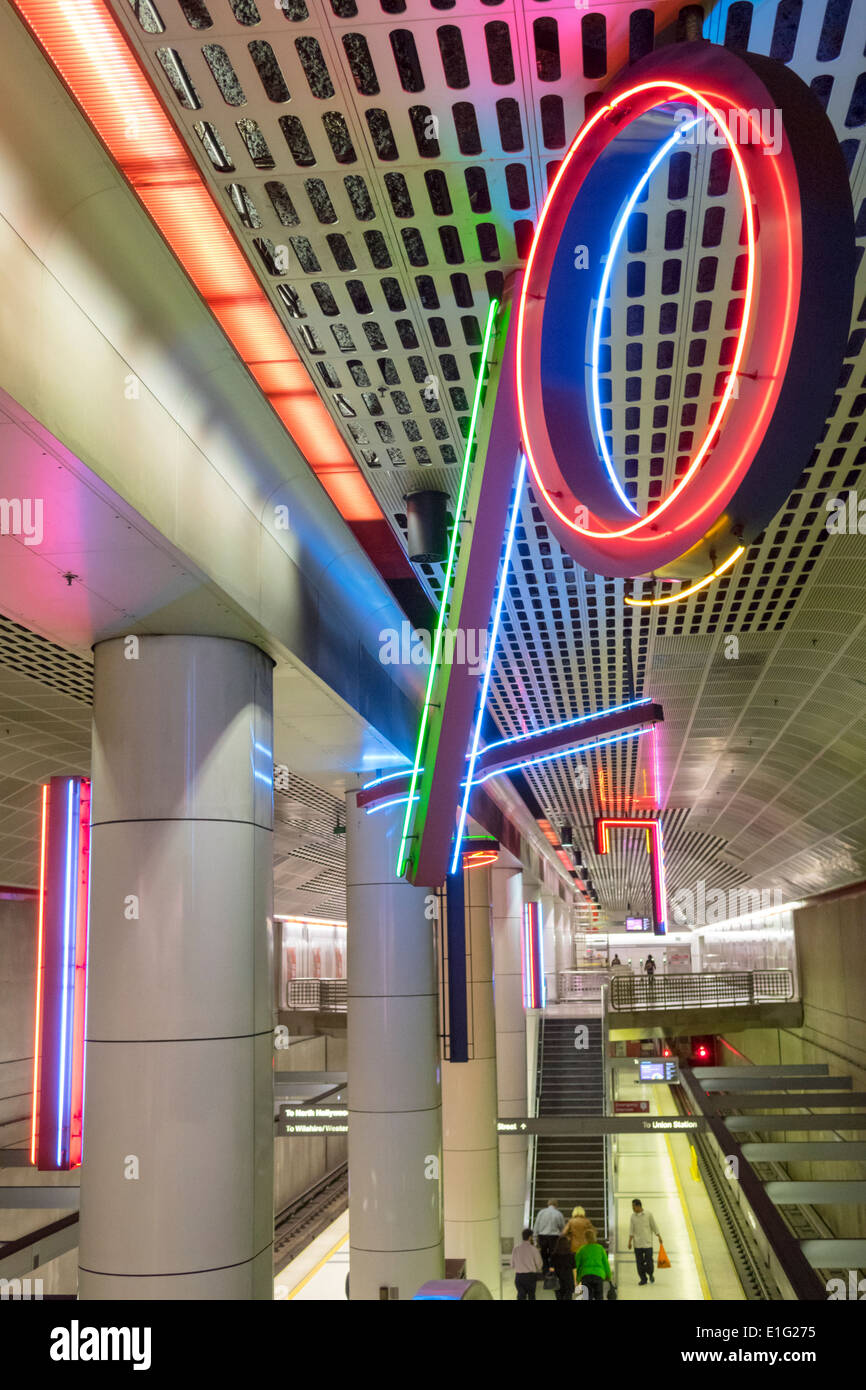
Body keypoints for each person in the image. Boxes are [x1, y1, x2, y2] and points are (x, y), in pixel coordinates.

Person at [628, 1198, 662, 1285]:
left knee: (649, 1261)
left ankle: (650, 1274)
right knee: (639, 1263)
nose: (633, 1208)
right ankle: (643, 1279)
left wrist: (658, 1236)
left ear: (638, 1206)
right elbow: (631, 1230)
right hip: (637, 1244)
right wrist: (629, 1241)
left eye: (633, 1206)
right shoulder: (633, 1217)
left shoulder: (648, 1214)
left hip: (647, 1243)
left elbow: (654, 1225)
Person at [575, 1231, 611, 1301]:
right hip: (598, 1275)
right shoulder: (600, 1248)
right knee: (599, 1297)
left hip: (586, 1276)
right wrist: (609, 1276)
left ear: (585, 1238)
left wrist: (578, 1278)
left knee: (586, 1297)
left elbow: (577, 1265)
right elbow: (606, 1263)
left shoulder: (582, 1249)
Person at [511, 1227, 543, 1300]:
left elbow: (512, 1265)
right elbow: (539, 1264)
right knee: (531, 1296)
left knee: (521, 1296)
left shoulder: (516, 1249)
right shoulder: (533, 1249)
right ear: (530, 1237)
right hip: (530, 1277)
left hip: (519, 1277)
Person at [533, 1198, 565, 1271]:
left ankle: (545, 1271)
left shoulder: (541, 1212)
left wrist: (535, 1239)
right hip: (554, 1237)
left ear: (548, 1204)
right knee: (553, 1255)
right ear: (556, 1205)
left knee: (543, 1255)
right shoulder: (558, 1213)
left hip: (542, 1236)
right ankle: (553, 1271)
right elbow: (562, 1227)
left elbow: (536, 1226)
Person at [551, 1230, 575, 1300]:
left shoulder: (554, 1255)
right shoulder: (571, 1255)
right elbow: (574, 1267)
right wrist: (576, 1281)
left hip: (557, 1280)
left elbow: (551, 1268)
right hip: (568, 1279)